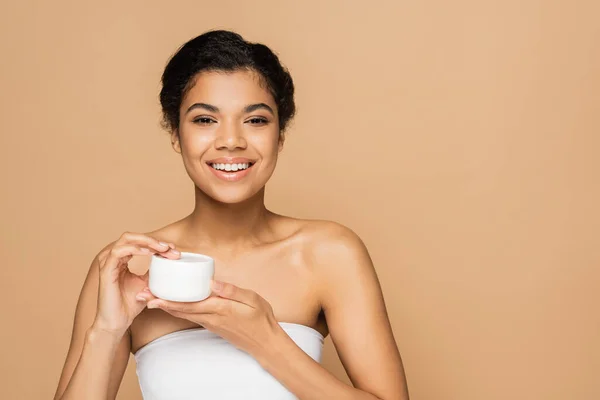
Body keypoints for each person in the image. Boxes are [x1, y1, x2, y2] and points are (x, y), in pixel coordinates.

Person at [53, 29, 409, 400]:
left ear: (280, 135)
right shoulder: (129, 269)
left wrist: (267, 341)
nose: (231, 140)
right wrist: (108, 329)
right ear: (176, 135)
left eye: (255, 120)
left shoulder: (330, 254)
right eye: (205, 120)